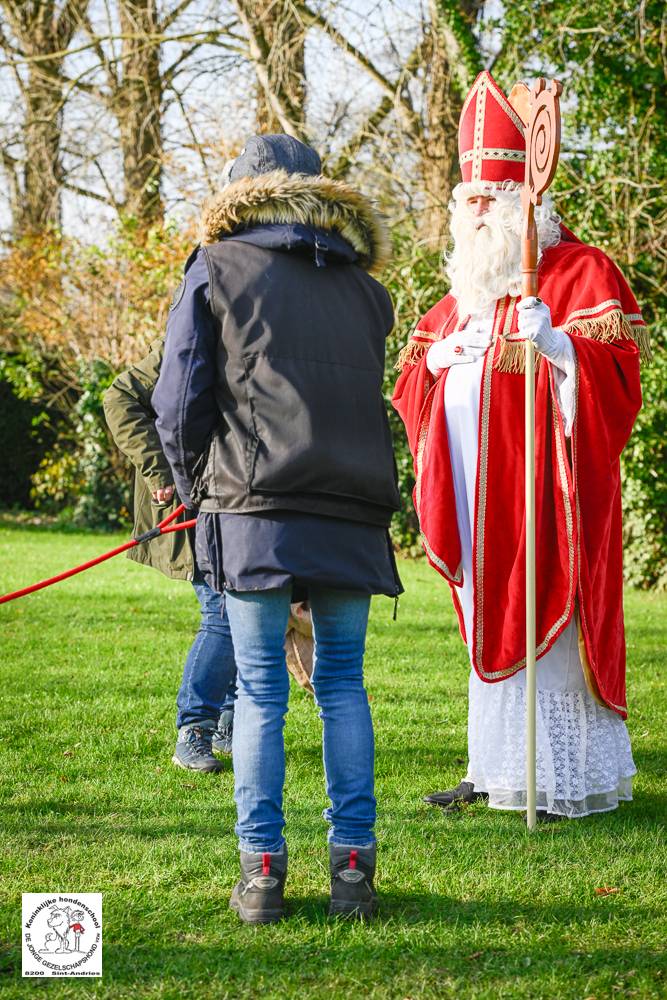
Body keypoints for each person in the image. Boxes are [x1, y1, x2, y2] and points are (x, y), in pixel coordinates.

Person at [152, 133, 402, 922]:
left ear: (238, 192)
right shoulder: (367, 288)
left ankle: (262, 875)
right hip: (351, 503)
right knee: (340, 685)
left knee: (261, 691)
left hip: (252, 506)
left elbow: (175, 400)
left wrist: (194, 488)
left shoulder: (216, 266)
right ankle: (352, 874)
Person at [393, 71, 648, 822]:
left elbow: (618, 387)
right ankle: (491, 766)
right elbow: (409, 390)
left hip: (548, 499)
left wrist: (562, 344)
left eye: (490, 201)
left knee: (551, 630)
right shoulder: (453, 300)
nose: (475, 215)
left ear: (525, 204)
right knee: (484, 619)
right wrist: (438, 363)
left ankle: (559, 778)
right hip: (474, 505)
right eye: (465, 202)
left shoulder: (579, 274)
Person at [103, 345, 237, 773]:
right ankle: (194, 729)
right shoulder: (186, 345)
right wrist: (159, 471)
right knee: (223, 612)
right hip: (191, 504)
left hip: (238, 501)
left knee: (242, 605)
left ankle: (227, 722)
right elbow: (118, 398)